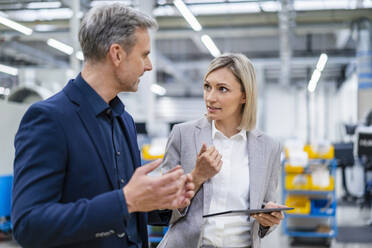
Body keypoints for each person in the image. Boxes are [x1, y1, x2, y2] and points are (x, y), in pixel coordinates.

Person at [11, 4, 194, 248]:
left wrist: (164, 201)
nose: (149, 65)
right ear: (117, 54)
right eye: (144, 55)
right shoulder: (49, 119)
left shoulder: (124, 120)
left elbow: (127, 212)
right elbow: (29, 225)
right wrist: (125, 201)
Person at [158, 53, 285, 248]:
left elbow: (266, 208)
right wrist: (197, 176)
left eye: (222, 89)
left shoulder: (269, 147)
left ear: (244, 96)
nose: (210, 97)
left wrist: (268, 220)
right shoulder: (182, 135)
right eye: (207, 86)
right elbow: (162, 208)